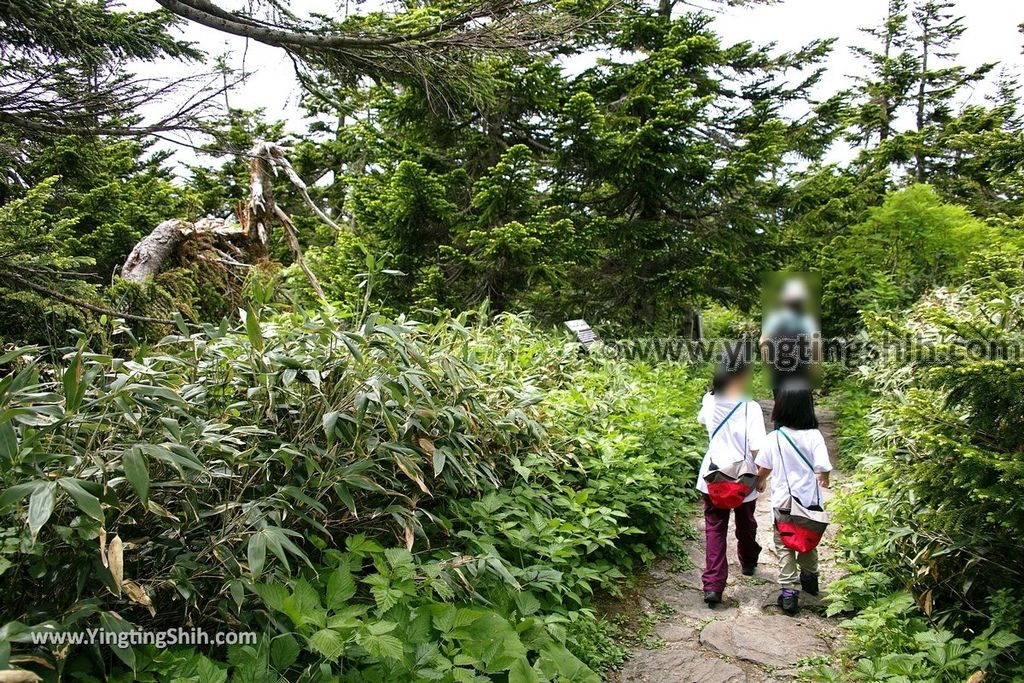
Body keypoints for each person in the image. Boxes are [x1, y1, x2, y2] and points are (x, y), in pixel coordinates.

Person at [754, 379, 831, 615]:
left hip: (784, 504)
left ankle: (789, 594)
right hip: (809, 503)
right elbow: (823, 466)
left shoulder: (774, 438)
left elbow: (763, 467)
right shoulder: (814, 436)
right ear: (808, 407)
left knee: (785, 545)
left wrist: (760, 481)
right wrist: (824, 479)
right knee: (807, 540)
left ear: (781, 407)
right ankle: (810, 579)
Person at [696, 361, 767, 606]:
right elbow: (758, 449)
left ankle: (713, 586)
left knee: (715, 530)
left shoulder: (709, 400)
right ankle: (748, 560)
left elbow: (702, 421)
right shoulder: (751, 408)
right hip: (743, 478)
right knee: (746, 523)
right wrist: (762, 477)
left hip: (713, 477)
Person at [759, 276, 820, 399]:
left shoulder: (775, 318)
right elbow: (816, 345)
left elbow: (763, 341)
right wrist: (814, 371)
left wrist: (769, 363)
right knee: (801, 405)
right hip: (800, 368)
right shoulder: (806, 320)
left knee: (780, 403)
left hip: (778, 368)